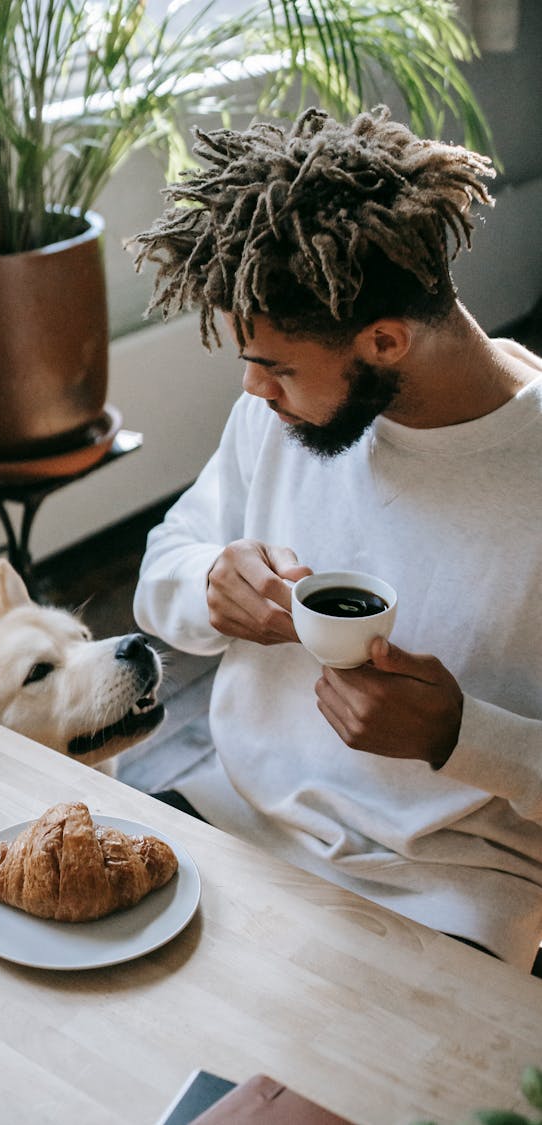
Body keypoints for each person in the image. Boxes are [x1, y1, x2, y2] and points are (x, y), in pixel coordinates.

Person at [129, 106, 542, 971]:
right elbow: (161, 568)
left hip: (447, 890)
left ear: (385, 340)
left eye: (276, 366)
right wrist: (211, 583)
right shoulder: (273, 418)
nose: (254, 389)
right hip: (231, 816)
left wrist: (459, 734)